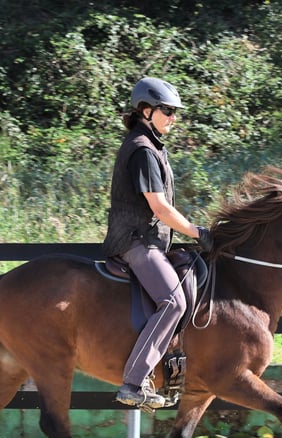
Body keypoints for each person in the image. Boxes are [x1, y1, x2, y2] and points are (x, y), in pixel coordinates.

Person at [102, 76, 213, 409]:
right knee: (173, 302)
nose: (173, 118)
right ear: (145, 110)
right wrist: (197, 232)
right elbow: (159, 207)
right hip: (136, 242)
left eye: (174, 112)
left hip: (149, 241)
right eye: (167, 111)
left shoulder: (150, 146)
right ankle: (134, 383)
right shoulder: (142, 150)